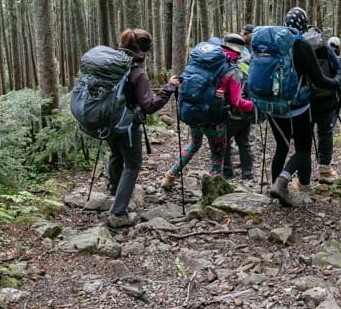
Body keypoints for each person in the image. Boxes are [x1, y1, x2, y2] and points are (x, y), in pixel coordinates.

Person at [264, 7, 341, 206]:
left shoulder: (273, 42)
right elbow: (319, 79)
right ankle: (282, 182)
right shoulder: (301, 45)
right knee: (302, 149)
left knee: (281, 147)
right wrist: (338, 82)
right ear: (303, 24)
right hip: (296, 107)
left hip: (272, 107)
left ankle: (280, 197)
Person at [106, 28, 179, 229]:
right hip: (127, 126)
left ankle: (114, 191)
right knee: (132, 165)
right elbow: (149, 106)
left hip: (108, 121)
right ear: (144, 49)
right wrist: (169, 87)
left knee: (116, 155)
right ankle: (118, 212)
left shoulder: (111, 65)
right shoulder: (137, 73)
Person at [161, 35, 254, 188]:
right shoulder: (232, 70)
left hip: (194, 112)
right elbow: (236, 102)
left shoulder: (202, 60)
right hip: (214, 119)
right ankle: (213, 192)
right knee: (217, 155)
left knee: (193, 145)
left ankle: (170, 175)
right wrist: (252, 106)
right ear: (238, 52)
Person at [304, 29, 341, 184]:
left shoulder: (304, 52)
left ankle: (305, 173)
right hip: (327, 103)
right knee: (325, 134)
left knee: (306, 137)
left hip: (306, 102)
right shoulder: (333, 57)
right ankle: (324, 170)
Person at [222, 32, 257, 181]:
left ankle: (228, 174)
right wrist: (252, 107)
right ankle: (247, 173)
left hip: (228, 111)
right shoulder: (246, 63)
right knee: (244, 142)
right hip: (245, 111)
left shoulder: (220, 62)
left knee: (225, 143)